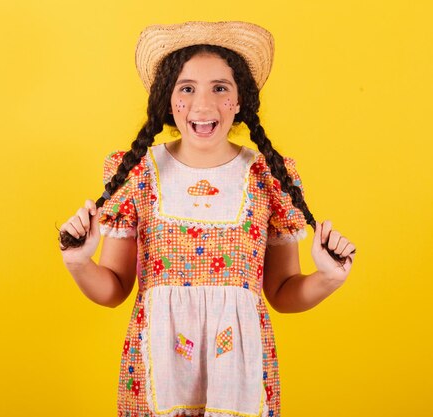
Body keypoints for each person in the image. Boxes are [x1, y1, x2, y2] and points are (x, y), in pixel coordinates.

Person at [58, 21, 356, 417]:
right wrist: (78, 262)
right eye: (186, 88)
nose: (203, 104)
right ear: (168, 100)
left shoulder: (268, 177)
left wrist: (329, 278)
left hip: (242, 377)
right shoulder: (138, 174)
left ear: (239, 102)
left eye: (220, 88)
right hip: (154, 374)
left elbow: (282, 293)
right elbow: (112, 290)